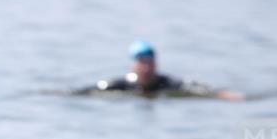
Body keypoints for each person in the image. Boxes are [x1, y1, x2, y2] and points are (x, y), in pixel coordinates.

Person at [74, 40, 243, 100]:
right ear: (134, 66)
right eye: (142, 63)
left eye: (150, 62)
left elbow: (198, 89)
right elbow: (87, 91)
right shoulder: (121, 84)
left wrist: (223, 94)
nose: (147, 68)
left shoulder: (167, 83)